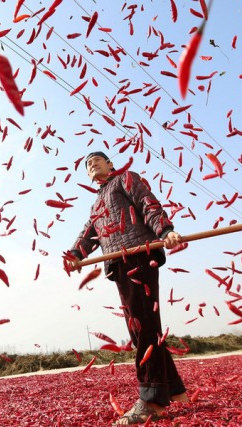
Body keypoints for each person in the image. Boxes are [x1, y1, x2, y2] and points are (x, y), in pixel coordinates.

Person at [64, 151, 188, 425]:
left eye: (97, 160)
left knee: (143, 326)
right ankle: (174, 390)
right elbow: (90, 233)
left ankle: (152, 400)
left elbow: (147, 204)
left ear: (109, 164)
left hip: (138, 255)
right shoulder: (97, 203)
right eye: (87, 165)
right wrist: (76, 255)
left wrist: (165, 231)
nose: (92, 165)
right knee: (142, 327)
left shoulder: (125, 180)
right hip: (118, 264)